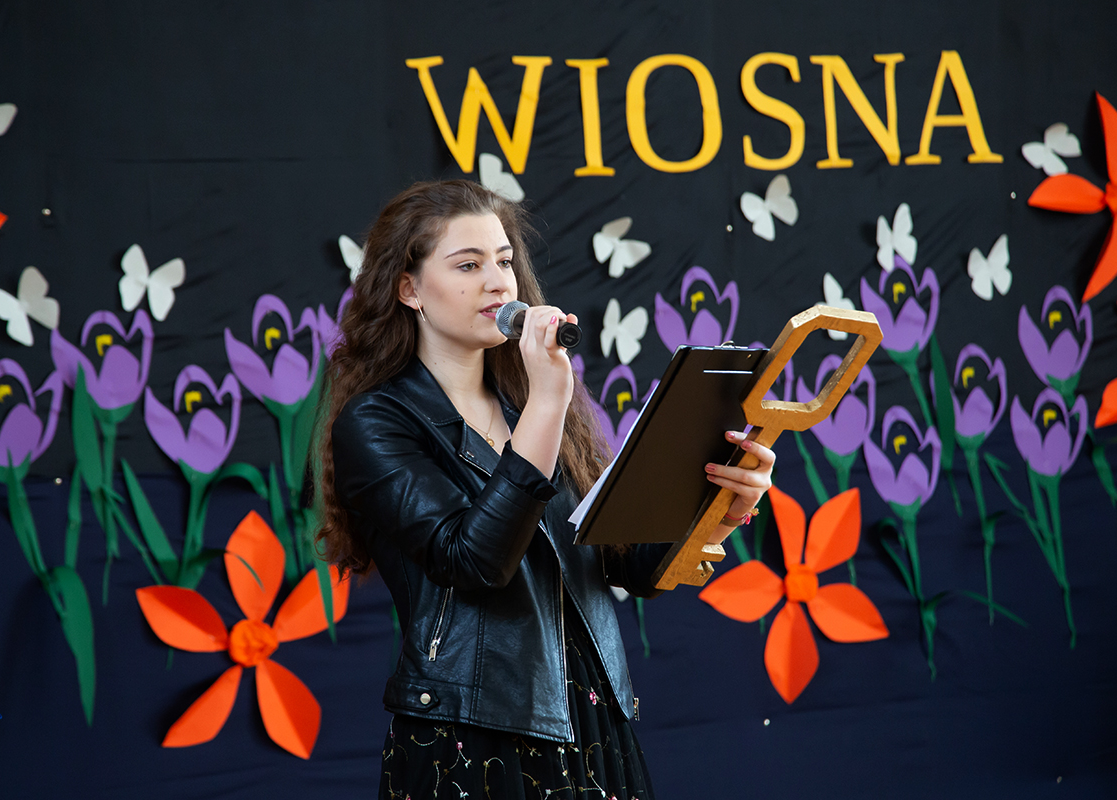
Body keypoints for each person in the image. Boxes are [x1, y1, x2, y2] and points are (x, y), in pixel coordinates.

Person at [315, 180, 775, 799]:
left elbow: (629, 562)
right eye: (468, 265)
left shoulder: (530, 402)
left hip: (590, 720)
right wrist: (549, 401)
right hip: (473, 734)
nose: (498, 283)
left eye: (504, 261)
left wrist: (723, 504)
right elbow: (475, 562)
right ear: (409, 289)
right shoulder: (376, 423)